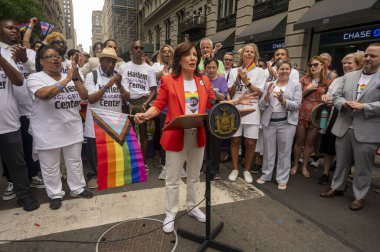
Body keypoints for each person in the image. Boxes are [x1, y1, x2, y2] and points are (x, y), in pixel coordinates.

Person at [133, 41, 254, 233]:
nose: (193, 58)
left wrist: (236, 101)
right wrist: (146, 114)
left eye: (195, 55)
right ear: (179, 59)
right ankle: (171, 213)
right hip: (175, 134)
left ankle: (192, 206)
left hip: (197, 134)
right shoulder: (168, 80)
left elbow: (212, 105)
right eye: (188, 55)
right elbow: (158, 104)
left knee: (194, 176)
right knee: (173, 178)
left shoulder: (204, 81)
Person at [27, 45, 93, 210]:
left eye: (57, 56)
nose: (55, 59)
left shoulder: (70, 76)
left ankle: (77, 188)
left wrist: (75, 77)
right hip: (47, 131)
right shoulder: (35, 78)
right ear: (41, 61)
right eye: (50, 56)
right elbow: (44, 95)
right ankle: (55, 194)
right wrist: (67, 79)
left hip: (72, 127)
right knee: (50, 166)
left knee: (75, 162)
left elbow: (84, 96)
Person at [320, 43, 380, 211]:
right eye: (367, 55)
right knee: (341, 163)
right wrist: (342, 103)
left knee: (363, 167)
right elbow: (337, 95)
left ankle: (359, 196)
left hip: (367, 130)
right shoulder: (350, 76)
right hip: (344, 126)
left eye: (373, 56)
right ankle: (337, 187)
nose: (368, 58)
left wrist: (364, 107)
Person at [0, 19, 40, 211]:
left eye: (17, 28)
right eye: (9, 27)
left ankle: (24, 195)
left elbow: (18, 79)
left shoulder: (13, 54)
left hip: (8, 121)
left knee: (18, 160)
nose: (15, 30)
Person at [84, 47, 128, 189]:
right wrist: (108, 85)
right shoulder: (92, 76)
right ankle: (93, 175)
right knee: (94, 151)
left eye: (113, 62)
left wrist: (119, 85)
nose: (110, 64)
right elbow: (90, 98)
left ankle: (109, 174)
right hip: (96, 121)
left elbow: (127, 98)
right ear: (101, 61)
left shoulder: (119, 76)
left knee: (112, 150)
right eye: (107, 61)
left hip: (114, 120)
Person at [318, 52, 364, 185]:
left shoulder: (362, 80)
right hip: (335, 116)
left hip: (354, 119)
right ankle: (326, 173)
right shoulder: (337, 80)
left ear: (358, 64)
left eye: (350, 63)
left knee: (347, 152)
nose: (346, 65)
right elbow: (330, 94)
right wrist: (326, 97)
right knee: (329, 147)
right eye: (344, 63)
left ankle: (344, 179)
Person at [257, 61, 302, 190]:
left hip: (286, 123)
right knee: (268, 151)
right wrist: (266, 96)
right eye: (282, 69)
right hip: (269, 122)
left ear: (290, 71)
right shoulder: (269, 84)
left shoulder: (296, 85)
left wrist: (283, 100)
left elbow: (297, 105)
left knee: (284, 152)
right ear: (277, 70)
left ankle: (282, 179)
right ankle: (266, 175)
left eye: (287, 69)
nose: (284, 71)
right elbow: (261, 105)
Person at [228, 43, 266, 184]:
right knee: (235, 140)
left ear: (255, 55)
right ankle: (235, 169)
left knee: (250, 142)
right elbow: (230, 94)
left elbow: (259, 92)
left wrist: (246, 82)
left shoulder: (259, 71)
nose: (249, 54)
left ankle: (246, 170)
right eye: (246, 51)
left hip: (252, 110)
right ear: (242, 54)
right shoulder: (233, 71)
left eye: (252, 52)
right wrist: (238, 80)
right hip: (236, 108)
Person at [119, 40, 157, 165]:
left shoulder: (149, 69)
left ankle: (142, 163)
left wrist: (146, 104)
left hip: (142, 102)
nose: (139, 50)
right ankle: (129, 162)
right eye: (136, 47)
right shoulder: (123, 67)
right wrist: (127, 102)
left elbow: (153, 90)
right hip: (127, 101)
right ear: (131, 51)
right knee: (128, 134)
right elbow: (121, 88)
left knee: (143, 134)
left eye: (141, 47)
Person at [291, 56, 330, 177]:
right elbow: (296, 98)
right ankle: (295, 165)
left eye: (316, 64)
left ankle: (304, 166)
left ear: (323, 65)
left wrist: (328, 99)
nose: (312, 67)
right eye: (310, 65)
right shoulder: (304, 80)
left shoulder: (327, 82)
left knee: (309, 142)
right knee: (299, 141)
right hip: (302, 112)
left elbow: (330, 99)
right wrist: (307, 89)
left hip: (317, 115)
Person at [151, 45, 177, 180]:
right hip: (162, 108)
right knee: (163, 136)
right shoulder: (156, 65)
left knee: (176, 137)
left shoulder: (177, 67)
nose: (167, 54)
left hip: (177, 108)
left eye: (169, 52)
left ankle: (176, 166)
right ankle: (164, 166)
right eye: (164, 52)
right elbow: (152, 78)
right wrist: (160, 74)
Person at [204, 58, 229, 179]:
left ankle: (215, 170)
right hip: (203, 115)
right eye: (209, 67)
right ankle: (205, 167)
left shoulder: (221, 80)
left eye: (214, 67)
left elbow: (223, 97)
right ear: (205, 68)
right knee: (204, 142)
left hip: (217, 116)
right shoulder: (201, 80)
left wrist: (213, 92)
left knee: (216, 144)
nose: (211, 70)